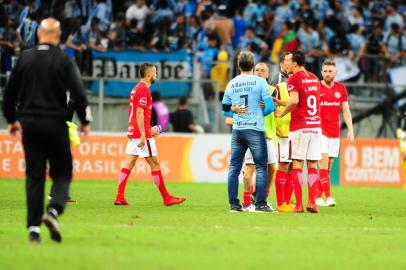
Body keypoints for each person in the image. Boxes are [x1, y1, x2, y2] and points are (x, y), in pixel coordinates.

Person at [2, 18, 91, 243]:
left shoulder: (25, 58)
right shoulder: (63, 60)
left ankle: (34, 229)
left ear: (40, 34)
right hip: (55, 123)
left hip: (30, 123)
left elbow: (9, 94)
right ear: (58, 35)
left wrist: (12, 120)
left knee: (34, 176)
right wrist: (86, 121)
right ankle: (53, 211)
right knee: (62, 172)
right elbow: (79, 94)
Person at [114, 63, 186, 207]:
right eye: (155, 72)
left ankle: (120, 196)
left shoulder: (136, 88)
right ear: (148, 75)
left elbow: (138, 113)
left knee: (129, 163)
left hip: (134, 131)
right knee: (155, 164)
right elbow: (140, 113)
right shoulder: (144, 90)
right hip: (141, 134)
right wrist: (143, 134)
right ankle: (166, 198)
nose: (156, 74)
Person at [222, 50, 275, 212]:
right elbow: (270, 107)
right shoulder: (260, 83)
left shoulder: (232, 83)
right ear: (253, 65)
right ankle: (260, 204)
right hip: (255, 130)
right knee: (261, 167)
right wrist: (261, 112)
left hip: (238, 130)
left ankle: (234, 204)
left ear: (238, 66)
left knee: (234, 168)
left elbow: (225, 109)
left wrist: (234, 110)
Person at [275, 51, 322, 214]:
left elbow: (294, 100)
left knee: (297, 165)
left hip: (300, 127)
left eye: (288, 61)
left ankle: (299, 204)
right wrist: (282, 102)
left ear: (295, 63)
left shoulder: (294, 78)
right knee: (312, 164)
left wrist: (282, 112)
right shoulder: (315, 78)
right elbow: (304, 101)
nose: (285, 64)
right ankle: (312, 202)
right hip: (316, 126)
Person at [233, 62, 278, 212]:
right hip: (252, 132)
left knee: (272, 168)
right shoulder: (246, 89)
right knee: (250, 168)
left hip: (269, 135)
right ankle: (247, 202)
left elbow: (273, 107)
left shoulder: (272, 90)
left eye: (262, 70)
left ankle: (260, 197)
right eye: (256, 70)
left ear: (267, 74)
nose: (259, 72)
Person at [316, 59, 354, 207]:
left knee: (329, 166)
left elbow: (345, 110)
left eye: (330, 71)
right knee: (323, 162)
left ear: (335, 72)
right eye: (325, 71)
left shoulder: (341, 89)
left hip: (334, 132)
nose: (327, 74)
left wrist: (350, 130)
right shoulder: (316, 87)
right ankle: (329, 197)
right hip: (319, 131)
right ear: (321, 72)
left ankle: (317, 196)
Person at [272, 53, 295, 212]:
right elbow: (271, 104)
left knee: (294, 166)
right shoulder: (278, 84)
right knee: (284, 165)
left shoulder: (299, 83)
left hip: (297, 130)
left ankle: (287, 201)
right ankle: (281, 203)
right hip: (284, 131)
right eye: (288, 61)